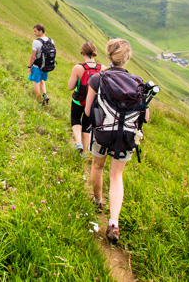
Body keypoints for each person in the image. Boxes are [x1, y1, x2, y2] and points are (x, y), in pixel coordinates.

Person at [85, 38, 145, 244]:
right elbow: (145, 117)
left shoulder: (98, 79)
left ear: (108, 55)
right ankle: (113, 223)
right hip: (127, 136)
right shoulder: (138, 83)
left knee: (97, 165)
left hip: (102, 132)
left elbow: (87, 110)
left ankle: (98, 200)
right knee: (116, 175)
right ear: (127, 58)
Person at [67, 42, 101, 155]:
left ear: (82, 53)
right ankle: (84, 153)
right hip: (92, 103)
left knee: (75, 118)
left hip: (78, 101)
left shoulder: (78, 68)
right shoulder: (102, 69)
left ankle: (78, 142)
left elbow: (70, 87)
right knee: (87, 126)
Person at [27, 24, 51, 105]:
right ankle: (45, 94)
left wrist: (29, 66)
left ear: (41, 31)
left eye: (35, 31)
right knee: (41, 80)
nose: (34, 33)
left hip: (37, 66)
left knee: (36, 82)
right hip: (46, 66)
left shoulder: (36, 42)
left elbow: (33, 56)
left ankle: (39, 101)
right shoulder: (51, 40)